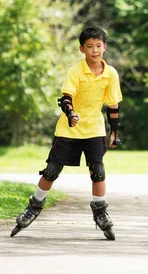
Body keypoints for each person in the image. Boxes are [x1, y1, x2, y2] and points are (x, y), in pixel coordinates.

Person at [11, 26, 123, 241]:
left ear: (105, 47)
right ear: (82, 49)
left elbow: (113, 105)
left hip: (94, 129)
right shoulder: (76, 70)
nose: (95, 50)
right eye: (89, 46)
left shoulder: (111, 74)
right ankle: (34, 205)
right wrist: (71, 114)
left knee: (98, 171)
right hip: (68, 129)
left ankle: (100, 211)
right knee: (52, 170)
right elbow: (66, 98)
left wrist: (114, 131)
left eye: (98, 46)